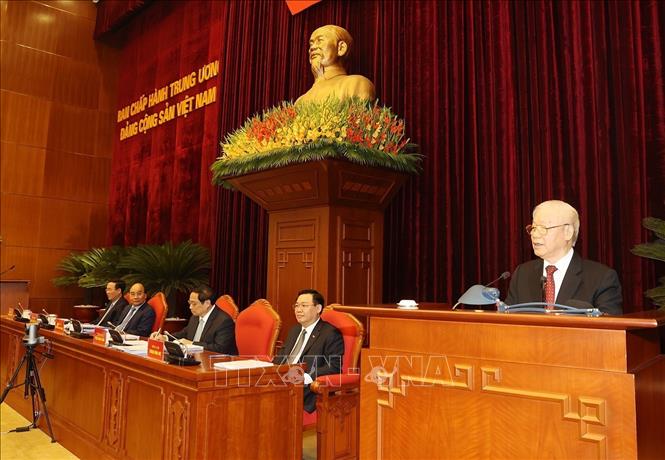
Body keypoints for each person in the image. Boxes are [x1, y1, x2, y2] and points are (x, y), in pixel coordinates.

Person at [506, 200, 622, 315]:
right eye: (533, 228)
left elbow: (609, 325)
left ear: (568, 232)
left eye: (543, 228)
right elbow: (506, 321)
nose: (534, 234)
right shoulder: (522, 274)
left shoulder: (601, 278)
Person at [273, 289, 344, 413]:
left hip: (305, 390)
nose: (298, 310)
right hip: (282, 382)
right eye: (296, 305)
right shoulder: (294, 330)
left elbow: (334, 366)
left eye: (304, 306)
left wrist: (306, 377)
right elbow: (281, 358)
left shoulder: (330, 333)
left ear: (318, 308)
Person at [295, 25, 375, 105]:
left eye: (320, 41)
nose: (312, 47)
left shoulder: (357, 84)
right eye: (311, 44)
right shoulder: (300, 101)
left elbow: (359, 112)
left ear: (341, 48)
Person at [150, 286, 237, 354]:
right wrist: (165, 338)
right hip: (194, 357)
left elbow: (219, 348)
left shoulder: (224, 321)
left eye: (194, 304)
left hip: (215, 362)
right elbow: (184, 333)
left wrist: (191, 343)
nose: (190, 307)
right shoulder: (195, 316)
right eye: (190, 303)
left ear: (207, 303)